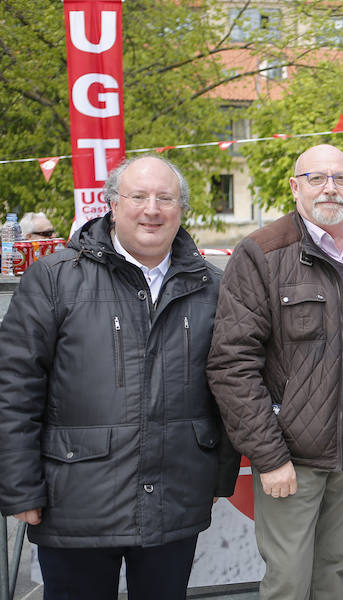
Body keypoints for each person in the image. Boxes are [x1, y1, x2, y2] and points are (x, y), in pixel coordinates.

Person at [0, 155, 240, 600]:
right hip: (74, 501)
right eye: (138, 196)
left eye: (165, 198)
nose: (152, 209)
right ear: (112, 203)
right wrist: (19, 487)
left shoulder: (213, 286)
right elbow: (14, 388)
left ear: (180, 209)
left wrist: (218, 478)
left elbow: (229, 387)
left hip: (175, 496)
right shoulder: (54, 279)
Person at [206, 144, 343, 600]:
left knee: (334, 571)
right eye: (316, 178)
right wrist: (269, 456)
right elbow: (232, 364)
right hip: (293, 449)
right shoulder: (262, 252)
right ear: (295, 187)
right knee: (289, 582)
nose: (329, 187)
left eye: (340, 178)